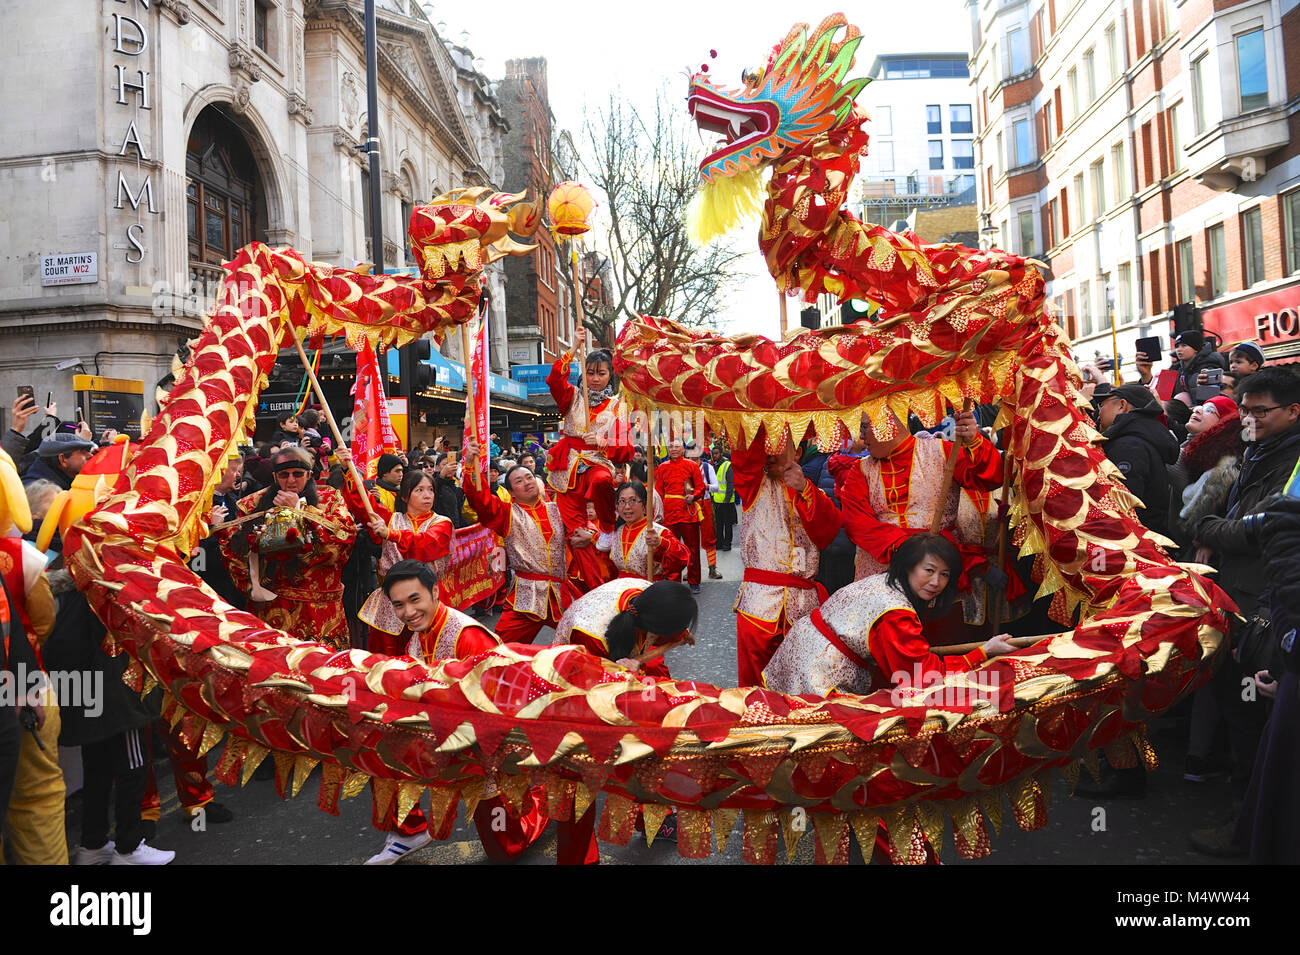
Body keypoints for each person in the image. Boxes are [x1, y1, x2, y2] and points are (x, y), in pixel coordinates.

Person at [366, 560, 549, 864]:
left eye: (415, 600)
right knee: (376, 745)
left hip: (487, 754)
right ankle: (408, 832)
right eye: (399, 605)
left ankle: (546, 801)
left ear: (435, 592)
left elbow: (504, 708)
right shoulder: (415, 639)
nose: (408, 613)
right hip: (444, 739)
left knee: (507, 851)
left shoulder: (469, 637)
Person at [1186, 367, 1300, 852]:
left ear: (1293, 411)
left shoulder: (1292, 461)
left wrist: (1207, 529)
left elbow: (1264, 528)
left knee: (1254, 716)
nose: (1249, 420)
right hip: (1241, 599)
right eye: (1245, 410)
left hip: (1271, 608)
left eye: (1260, 411)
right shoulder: (1257, 452)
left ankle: (1249, 829)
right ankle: (1247, 818)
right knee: (1240, 712)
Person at [553, 578, 698, 863]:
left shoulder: (645, 596)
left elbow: (660, 632)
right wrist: (615, 675)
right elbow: (592, 689)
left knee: (651, 732)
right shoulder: (589, 632)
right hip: (577, 679)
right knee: (587, 766)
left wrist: (678, 634)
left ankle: (652, 817)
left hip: (624, 657)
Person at [764, 534, 1016, 696]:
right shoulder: (895, 612)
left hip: (804, 648)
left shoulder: (885, 581)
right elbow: (921, 676)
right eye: (928, 570)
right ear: (908, 566)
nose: (936, 582)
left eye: (944, 575)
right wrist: (983, 653)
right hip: (820, 670)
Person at [831, 409, 1005, 631]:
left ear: (887, 424)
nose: (861, 436)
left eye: (865, 427)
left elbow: (988, 478)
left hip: (938, 573)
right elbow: (857, 524)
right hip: (880, 575)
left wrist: (974, 441)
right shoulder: (859, 470)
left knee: (939, 644)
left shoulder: (943, 452)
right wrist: (910, 550)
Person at [732, 428, 843, 685]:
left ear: (799, 453)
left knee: (801, 682)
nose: (769, 454)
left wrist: (804, 487)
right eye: (766, 448)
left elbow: (827, 534)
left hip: (803, 606)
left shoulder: (813, 493)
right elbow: (744, 456)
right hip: (757, 606)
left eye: (778, 447)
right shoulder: (753, 486)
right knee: (754, 687)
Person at [218, 446, 357, 649]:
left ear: (309, 474)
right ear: (275, 476)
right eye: (284, 475)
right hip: (273, 606)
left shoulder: (330, 499)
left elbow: (345, 539)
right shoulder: (250, 504)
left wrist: (300, 510)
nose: (291, 481)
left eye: (298, 474)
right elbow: (235, 553)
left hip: (323, 611)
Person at [460, 437, 576, 643]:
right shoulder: (507, 513)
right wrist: (470, 465)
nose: (527, 483)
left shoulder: (557, 509)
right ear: (512, 492)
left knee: (583, 644)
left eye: (529, 477)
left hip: (561, 595)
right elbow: (480, 499)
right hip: (525, 597)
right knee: (502, 651)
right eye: (519, 481)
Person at [337, 457, 454, 657]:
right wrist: (348, 467)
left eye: (430, 489)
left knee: (431, 655)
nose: (427, 495)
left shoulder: (442, 523)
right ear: (405, 497)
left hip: (426, 597)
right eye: (419, 490)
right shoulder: (392, 519)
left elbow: (426, 544)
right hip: (390, 601)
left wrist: (391, 534)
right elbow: (364, 505)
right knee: (387, 658)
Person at [545, 328, 633, 535]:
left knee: (602, 481)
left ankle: (609, 529)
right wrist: (574, 346)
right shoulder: (571, 397)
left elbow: (626, 449)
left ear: (610, 375)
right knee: (575, 534)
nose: (595, 379)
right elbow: (554, 380)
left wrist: (604, 441)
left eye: (601, 373)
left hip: (597, 462)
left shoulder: (618, 406)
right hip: (566, 466)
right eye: (590, 373)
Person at [1092, 383, 1180, 537]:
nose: (1098, 414)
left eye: (1101, 405)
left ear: (1122, 405)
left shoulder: (1128, 446)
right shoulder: (1140, 439)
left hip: (1131, 544)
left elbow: (1122, 507)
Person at [596, 480, 689, 582]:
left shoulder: (657, 532)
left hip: (648, 590)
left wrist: (661, 543)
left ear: (645, 506)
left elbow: (683, 559)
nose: (627, 507)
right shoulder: (617, 531)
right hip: (620, 589)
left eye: (633, 500)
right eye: (622, 501)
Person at [656, 439, 706, 592]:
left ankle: (694, 580)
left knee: (692, 549)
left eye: (677, 446)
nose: (673, 449)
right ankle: (673, 580)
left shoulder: (691, 466)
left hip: (687, 512)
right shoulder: (661, 467)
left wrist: (694, 496)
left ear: (683, 449)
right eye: (670, 446)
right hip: (669, 513)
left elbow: (700, 487)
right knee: (670, 549)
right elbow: (658, 492)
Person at [688, 442, 723, 579]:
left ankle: (712, 569)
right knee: (690, 539)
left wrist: (705, 486)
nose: (694, 456)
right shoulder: (686, 468)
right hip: (690, 505)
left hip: (705, 504)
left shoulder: (707, 468)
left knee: (709, 537)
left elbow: (716, 487)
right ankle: (691, 570)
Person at [21, 432, 96, 490]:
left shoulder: (65, 482)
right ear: (62, 459)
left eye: (88, 451)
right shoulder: (40, 493)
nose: (90, 455)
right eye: (82, 452)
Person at [710, 446, 736, 551]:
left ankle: (727, 544)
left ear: (721, 453)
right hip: (717, 501)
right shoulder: (713, 466)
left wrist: (727, 498)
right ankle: (719, 543)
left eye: (716, 453)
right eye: (713, 454)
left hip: (727, 501)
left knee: (727, 524)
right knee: (719, 524)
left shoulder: (727, 465)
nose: (714, 456)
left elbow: (730, 484)